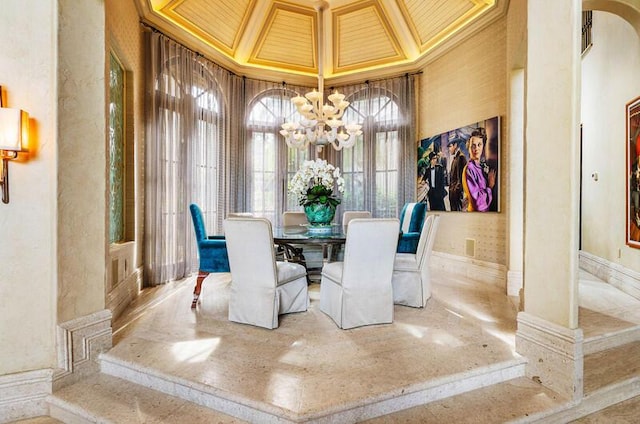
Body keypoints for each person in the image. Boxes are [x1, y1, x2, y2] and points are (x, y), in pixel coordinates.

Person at [462, 128, 496, 212]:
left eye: (479, 145)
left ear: (483, 147)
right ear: (469, 148)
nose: (476, 148)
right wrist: (490, 187)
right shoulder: (469, 169)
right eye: (473, 145)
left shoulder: (480, 167)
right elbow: (478, 202)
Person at [447, 139, 467, 211]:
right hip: (453, 192)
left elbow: (461, 178)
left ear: (455, 145)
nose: (449, 149)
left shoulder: (461, 157)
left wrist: (456, 190)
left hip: (456, 194)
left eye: (450, 146)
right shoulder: (456, 158)